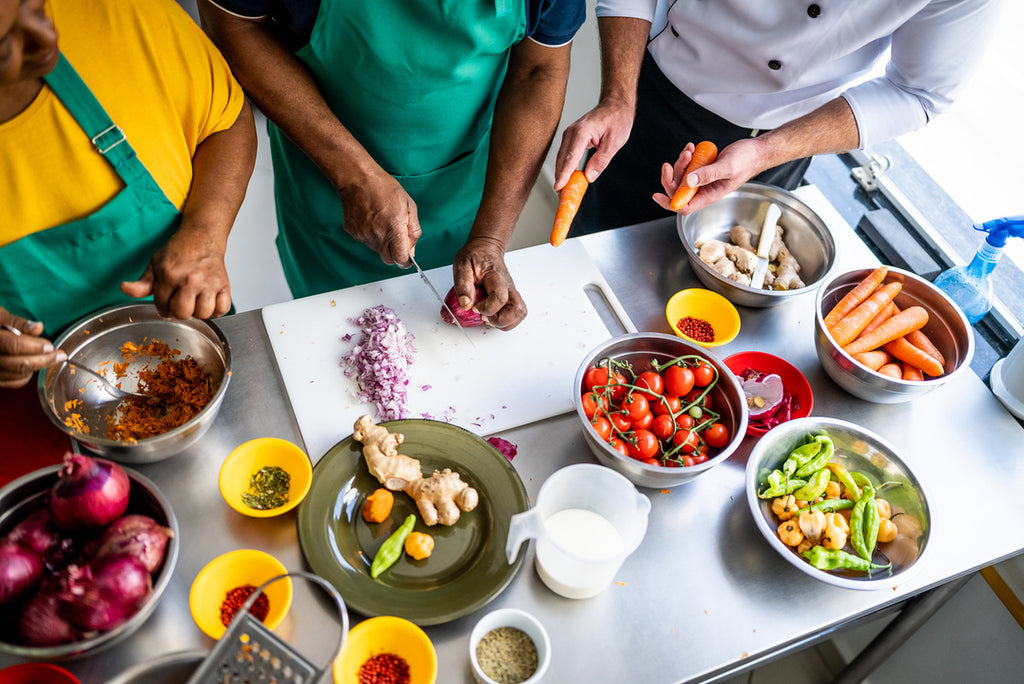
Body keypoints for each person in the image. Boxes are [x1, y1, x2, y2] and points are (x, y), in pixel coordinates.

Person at [198, 0, 585, 330]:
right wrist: (352, 176)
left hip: (460, 181)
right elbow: (235, 26)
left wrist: (491, 238)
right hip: (324, 175)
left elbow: (540, 69)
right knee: (332, 330)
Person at [554, 0, 1001, 231]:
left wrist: (766, 151)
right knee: (593, 256)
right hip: (653, 103)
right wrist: (617, 96)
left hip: (783, 144)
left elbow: (919, 92)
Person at [0, 0, 256, 390]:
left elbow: (225, 120)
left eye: (34, 6)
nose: (45, 37)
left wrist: (205, 236)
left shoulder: (117, 11)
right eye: (5, 46)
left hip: (194, 344)